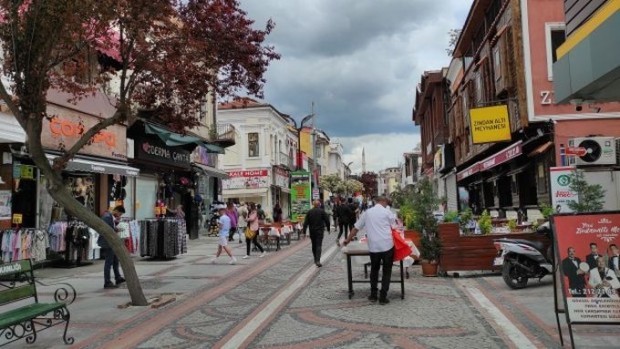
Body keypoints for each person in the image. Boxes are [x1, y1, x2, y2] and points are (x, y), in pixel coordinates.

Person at [343, 196, 395, 305]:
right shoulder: (387, 212)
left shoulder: (367, 213)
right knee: (387, 271)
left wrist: (348, 240)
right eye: (386, 203)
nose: (387, 205)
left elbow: (356, 228)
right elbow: (394, 226)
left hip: (374, 247)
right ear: (383, 201)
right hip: (387, 245)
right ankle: (383, 297)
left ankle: (373, 295)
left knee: (374, 270)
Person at [98, 205, 126, 289]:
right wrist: (116, 229)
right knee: (108, 262)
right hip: (108, 242)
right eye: (120, 214)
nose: (119, 216)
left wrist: (116, 226)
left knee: (115, 260)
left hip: (111, 242)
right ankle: (107, 282)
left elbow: (111, 228)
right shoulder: (107, 217)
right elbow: (107, 230)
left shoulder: (111, 217)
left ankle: (118, 277)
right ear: (116, 210)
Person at [303, 200, 330, 267]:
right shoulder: (322, 211)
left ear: (313, 205)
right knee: (319, 245)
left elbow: (305, 223)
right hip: (320, 231)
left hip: (312, 231)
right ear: (319, 205)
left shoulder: (309, 212)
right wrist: (328, 229)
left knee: (314, 245)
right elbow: (327, 220)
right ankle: (318, 260)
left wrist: (304, 232)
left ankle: (315, 259)